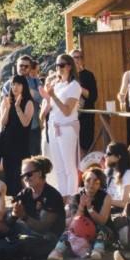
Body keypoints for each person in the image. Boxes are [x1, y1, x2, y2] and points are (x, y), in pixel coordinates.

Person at [0, 155, 66, 260]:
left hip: (48, 238)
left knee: (23, 243)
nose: (26, 178)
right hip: (27, 232)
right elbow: (9, 221)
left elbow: (43, 227)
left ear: (40, 173)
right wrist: (13, 214)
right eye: (23, 175)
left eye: (29, 174)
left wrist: (24, 217)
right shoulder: (25, 193)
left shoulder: (52, 196)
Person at [39, 54, 82, 197]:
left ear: (69, 66)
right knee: (58, 167)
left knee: (69, 166)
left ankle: (72, 198)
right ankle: (63, 197)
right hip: (53, 127)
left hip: (67, 128)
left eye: (62, 65)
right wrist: (47, 97)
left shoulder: (74, 86)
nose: (59, 68)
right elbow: (51, 107)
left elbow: (67, 111)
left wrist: (53, 96)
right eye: (57, 65)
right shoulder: (57, 85)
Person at [48, 166, 111, 260]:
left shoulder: (105, 197)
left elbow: (102, 221)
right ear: (84, 181)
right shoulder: (76, 197)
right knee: (69, 232)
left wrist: (90, 209)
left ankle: (97, 250)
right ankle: (57, 251)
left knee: (102, 230)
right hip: (82, 231)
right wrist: (81, 206)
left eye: (96, 182)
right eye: (88, 180)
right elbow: (74, 221)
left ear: (100, 184)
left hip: (101, 231)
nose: (91, 184)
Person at [0, 73, 35, 197]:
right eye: (13, 84)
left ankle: (25, 199)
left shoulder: (28, 102)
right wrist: (8, 107)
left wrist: (17, 107)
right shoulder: (8, 101)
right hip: (8, 145)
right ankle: (14, 201)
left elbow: (25, 122)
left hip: (21, 144)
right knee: (10, 174)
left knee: (21, 173)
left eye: (18, 84)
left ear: (24, 86)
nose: (15, 87)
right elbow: (3, 122)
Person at [71, 48, 98, 154]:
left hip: (86, 117)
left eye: (80, 57)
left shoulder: (88, 75)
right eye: (75, 57)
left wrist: (79, 86)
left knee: (85, 148)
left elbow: (93, 97)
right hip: (71, 117)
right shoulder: (67, 76)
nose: (77, 60)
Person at [103, 142, 130, 213]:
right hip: (112, 211)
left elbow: (125, 203)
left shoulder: (129, 174)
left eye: (108, 154)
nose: (105, 156)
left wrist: (104, 201)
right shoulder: (110, 173)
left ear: (118, 157)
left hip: (125, 213)